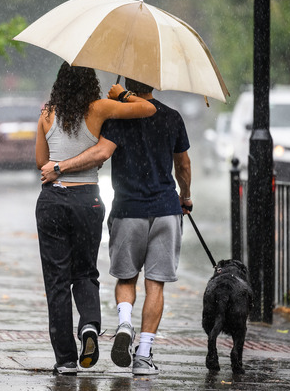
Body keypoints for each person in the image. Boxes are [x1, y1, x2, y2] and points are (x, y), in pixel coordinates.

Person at [40, 78, 192, 376]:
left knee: (126, 279)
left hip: (128, 210)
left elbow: (101, 152)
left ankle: (124, 323)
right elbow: (183, 165)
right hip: (165, 209)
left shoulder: (117, 115)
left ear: (127, 84)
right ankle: (144, 355)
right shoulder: (173, 117)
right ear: (154, 84)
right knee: (155, 284)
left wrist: (61, 166)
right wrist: (185, 197)